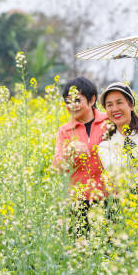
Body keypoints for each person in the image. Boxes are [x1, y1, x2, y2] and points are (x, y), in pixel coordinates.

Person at [53, 77, 108, 234]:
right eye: (68, 101)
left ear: (92, 100)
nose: (72, 106)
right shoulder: (65, 131)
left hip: (109, 197)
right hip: (79, 201)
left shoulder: (108, 121)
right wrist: (69, 151)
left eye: (77, 100)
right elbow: (57, 168)